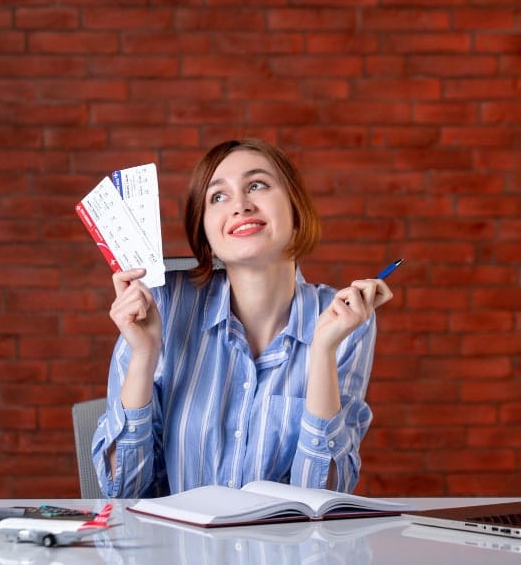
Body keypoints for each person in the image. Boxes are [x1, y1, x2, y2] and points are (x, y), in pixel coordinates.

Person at [91, 138, 393, 498]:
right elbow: (121, 492)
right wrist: (143, 355)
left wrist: (323, 353)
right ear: (204, 231)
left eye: (257, 185)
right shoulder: (160, 306)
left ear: (296, 209)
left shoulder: (341, 319)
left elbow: (323, 498)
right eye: (218, 196)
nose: (240, 206)